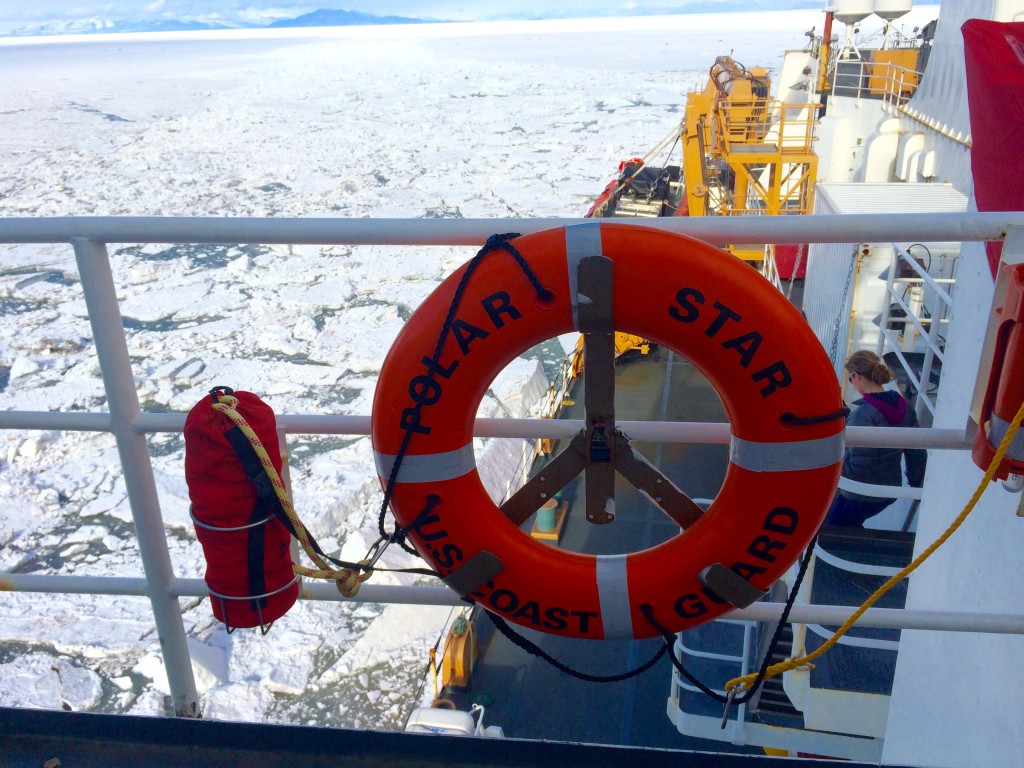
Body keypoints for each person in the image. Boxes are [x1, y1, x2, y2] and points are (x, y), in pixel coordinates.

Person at [827, 350, 927, 527]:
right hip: (888, 492)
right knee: (850, 522)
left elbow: (859, 467)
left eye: (850, 379)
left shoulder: (862, 416)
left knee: (827, 528)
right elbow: (916, 452)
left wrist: (832, 479)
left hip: (860, 494)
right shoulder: (906, 408)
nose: (852, 383)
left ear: (856, 376)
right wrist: (916, 481)